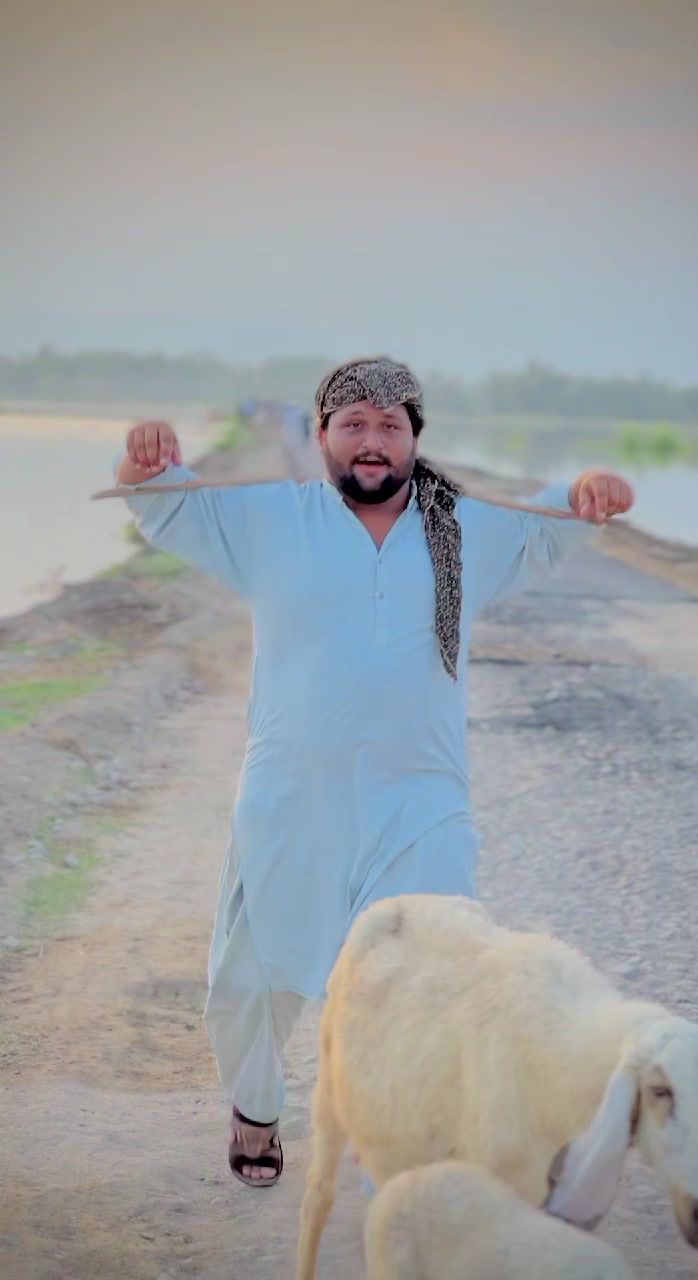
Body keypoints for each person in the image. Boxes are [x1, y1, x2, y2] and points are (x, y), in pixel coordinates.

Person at [113, 355, 633, 1187]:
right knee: (253, 978)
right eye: (353, 423)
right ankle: (256, 1103)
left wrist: (593, 483)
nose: (371, 440)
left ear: (415, 439)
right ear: (322, 434)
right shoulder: (273, 518)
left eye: (390, 425)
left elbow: (553, 518)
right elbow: (166, 504)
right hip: (293, 794)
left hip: (422, 797)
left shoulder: (466, 526)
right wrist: (145, 458)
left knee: (430, 969)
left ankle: (401, 1137)